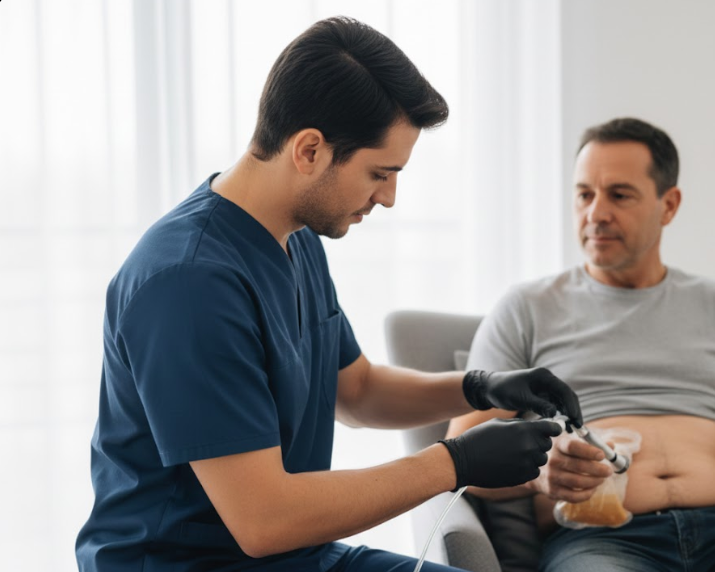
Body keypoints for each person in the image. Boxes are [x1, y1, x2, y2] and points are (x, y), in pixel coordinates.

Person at [74, 17, 583, 572]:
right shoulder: (187, 283)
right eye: (379, 173)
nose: (388, 197)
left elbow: (357, 391)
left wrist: (482, 388)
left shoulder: (295, 238)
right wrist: (454, 462)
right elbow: (263, 521)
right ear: (310, 149)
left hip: (295, 556)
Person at [448, 117, 715, 572]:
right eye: (584, 194)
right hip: (598, 543)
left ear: (669, 205)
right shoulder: (526, 308)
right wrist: (538, 475)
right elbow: (462, 450)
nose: (596, 213)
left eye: (619, 195)